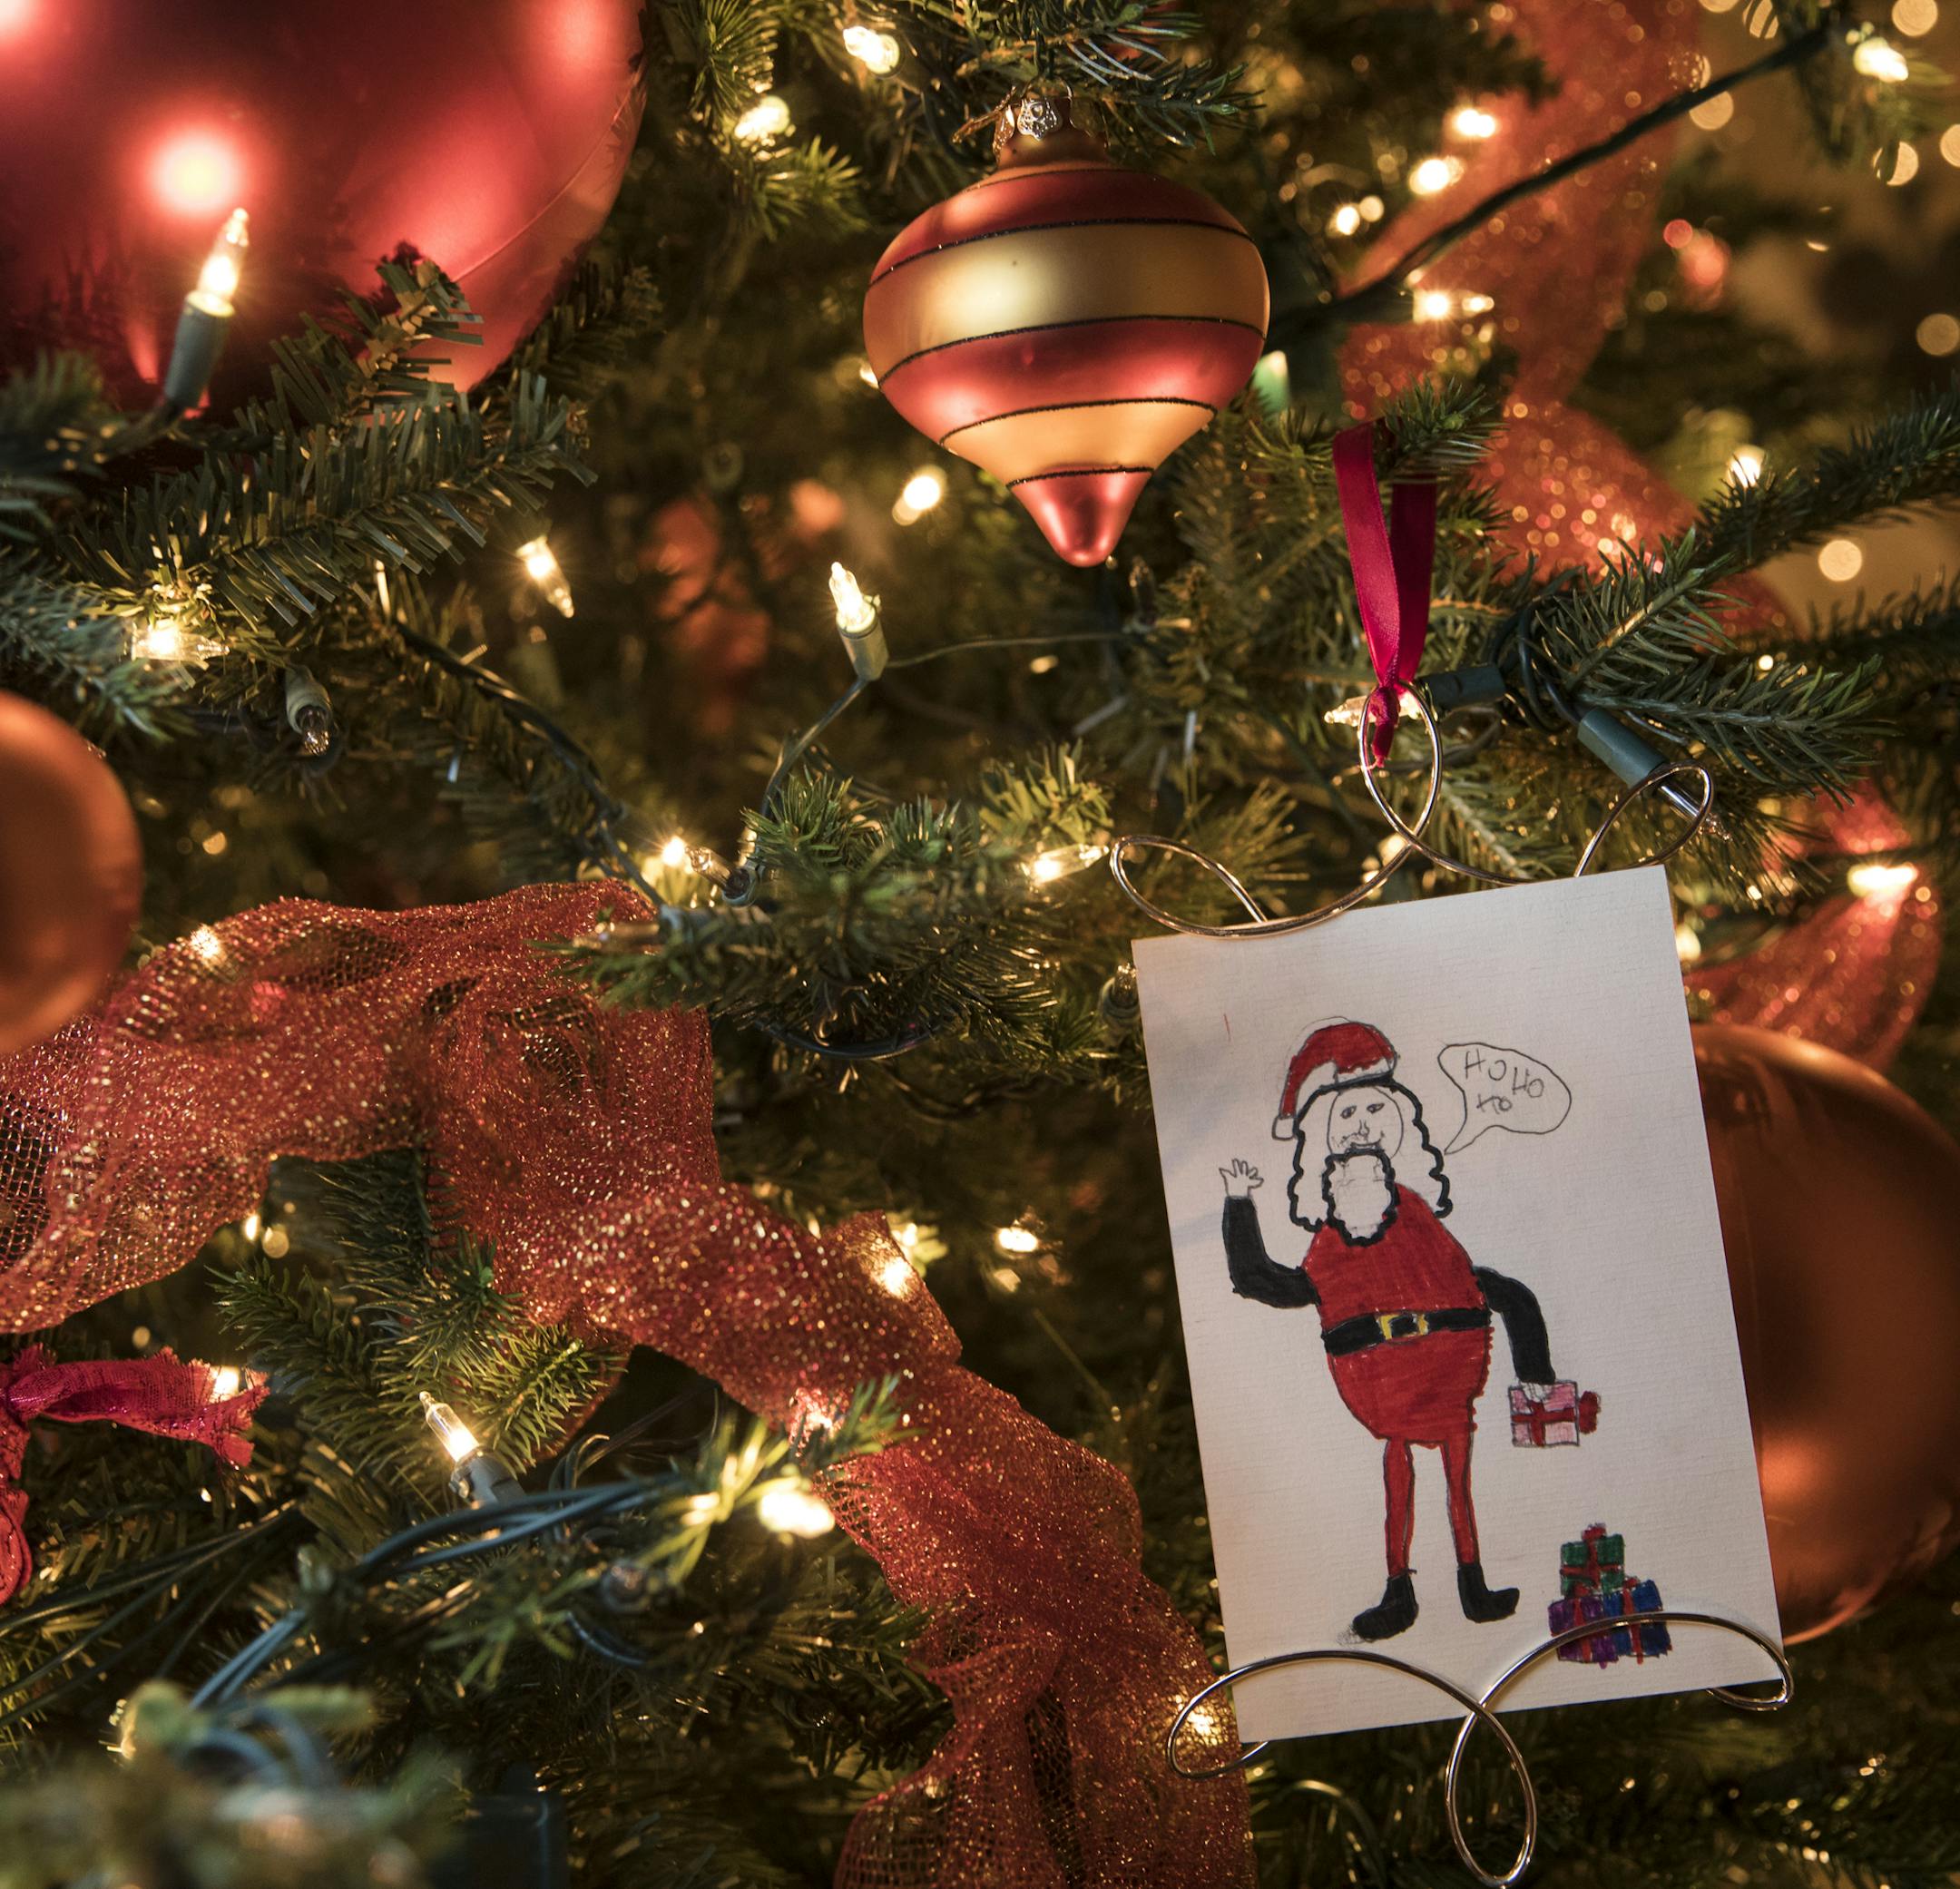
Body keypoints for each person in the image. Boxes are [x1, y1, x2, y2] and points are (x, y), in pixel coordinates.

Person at [1220, 1019, 1559, 1641]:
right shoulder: (1330, 1246)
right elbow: (1265, 1281)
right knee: (1399, 1477)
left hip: (1448, 1376)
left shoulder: (1424, 1225)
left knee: (1457, 1480)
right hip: (1382, 1385)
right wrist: (1239, 1204)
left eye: (1376, 1112)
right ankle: (1398, 1591)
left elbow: (1490, 1287)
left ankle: (1473, 1586)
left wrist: (1536, 1378)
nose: (1362, 1134)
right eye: (1347, 1122)